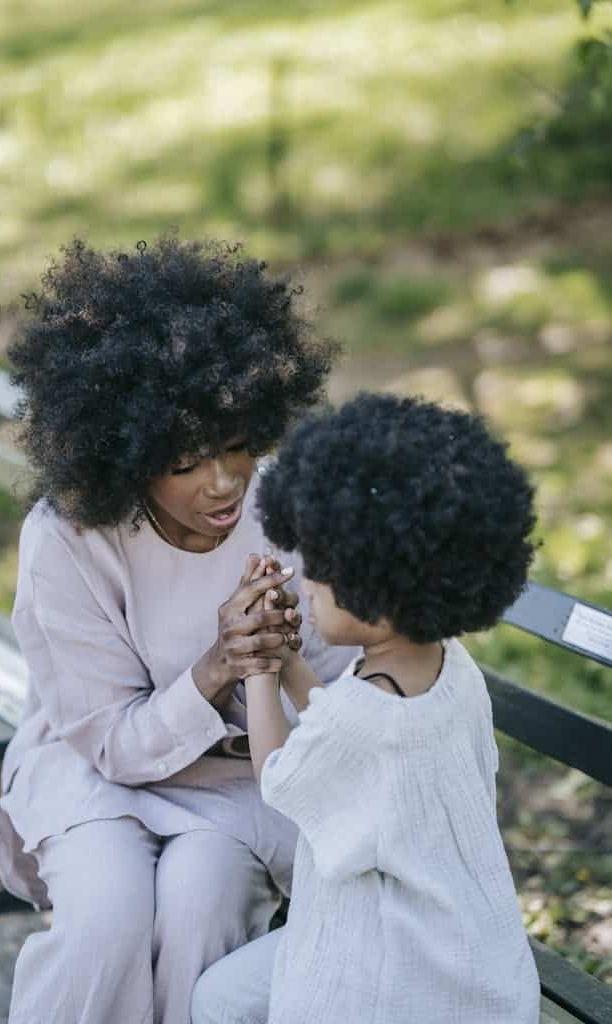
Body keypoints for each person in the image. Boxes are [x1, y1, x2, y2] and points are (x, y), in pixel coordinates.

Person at [0, 236, 357, 1024]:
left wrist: (282, 660)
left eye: (236, 447)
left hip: (235, 784)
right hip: (94, 773)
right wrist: (217, 665)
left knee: (200, 911)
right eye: (187, 461)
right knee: (105, 928)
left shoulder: (284, 509)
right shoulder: (67, 536)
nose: (224, 483)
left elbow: (343, 710)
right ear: (127, 455)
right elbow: (110, 741)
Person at [191, 392, 542, 1024]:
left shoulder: (363, 716)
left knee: (215, 1004)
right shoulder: (447, 667)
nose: (308, 582)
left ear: (376, 593)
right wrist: (297, 662)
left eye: (321, 572)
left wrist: (262, 671)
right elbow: (354, 732)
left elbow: (280, 777)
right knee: (221, 997)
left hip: (391, 981)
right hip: (474, 957)